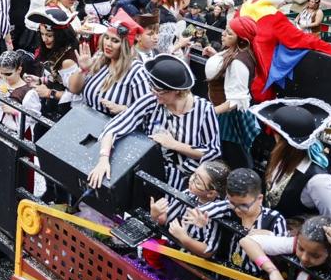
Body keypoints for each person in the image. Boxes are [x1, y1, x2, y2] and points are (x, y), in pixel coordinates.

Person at [88, 54, 221, 191]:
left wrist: (175, 145)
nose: (153, 93)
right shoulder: (151, 101)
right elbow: (113, 127)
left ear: (176, 91)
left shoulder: (204, 110)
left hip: (186, 183)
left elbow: (212, 151)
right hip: (151, 174)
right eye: (152, 87)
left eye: (159, 91)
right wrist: (103, 159)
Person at [202, 13, 260, 169]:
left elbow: (236, 101)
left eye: (229, 33)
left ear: (241, 38)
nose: (223, 34)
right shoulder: (237, 51)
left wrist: (209, 113)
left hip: (227, 116)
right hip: (223, 112)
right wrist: (216, 56)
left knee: (233, 156)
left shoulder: (238, 63)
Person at [69, 13, 153, 116]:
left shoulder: (137, 71)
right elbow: (74, 89)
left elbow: (148, 109)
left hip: (112, 128)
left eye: (115, 41)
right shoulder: (100, 58)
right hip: (85, 122)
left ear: (125, 46)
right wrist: (82, 70)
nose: (108, 44)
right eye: (106, 38)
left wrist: (125, 109)